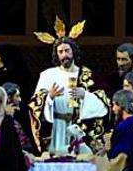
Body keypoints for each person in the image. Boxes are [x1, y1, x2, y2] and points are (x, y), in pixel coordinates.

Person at [30, 19, 108, 156]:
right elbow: (34, 104)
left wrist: (84, 95)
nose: (64, 55)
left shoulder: (86, 75)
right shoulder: (48, 75)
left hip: (77, 126)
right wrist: (49, 97)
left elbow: (103, 104)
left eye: (67, 50)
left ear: (73, 51)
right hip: (57, 127)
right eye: (60, 52)